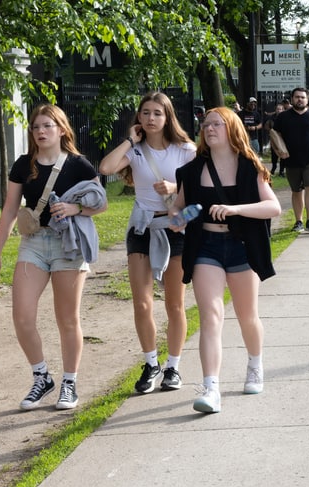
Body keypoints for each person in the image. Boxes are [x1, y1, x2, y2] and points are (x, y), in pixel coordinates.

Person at [0, 104, 107, 412]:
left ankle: (69, 382)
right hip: (34, 243)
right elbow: (10, 209)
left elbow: (101, 203)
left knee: (67, 319)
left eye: (47, 126)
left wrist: (76, 209)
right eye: (36, 127)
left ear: (61, 129)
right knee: (22, 316)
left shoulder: (79, 164)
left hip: (68, 244)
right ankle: (41, 376)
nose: (40, 132)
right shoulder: (23, 164)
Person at [170, 108, 281, 414]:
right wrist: (179, 218)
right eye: (205, 124)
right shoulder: (192, 170)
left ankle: (255, 365)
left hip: (242, 246)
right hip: (206, 246)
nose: (209, 128)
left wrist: (235, 210)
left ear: (231, 128)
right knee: (211, 316)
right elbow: (178, 208)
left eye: (216, 124)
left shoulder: (249, 166)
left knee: (247, 316)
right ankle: (211, 388)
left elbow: (273, 207)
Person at [98, 91, 197, 395]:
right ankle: (151, 363)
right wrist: (130, 140)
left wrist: (176, 187)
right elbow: (106, 168)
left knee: (174, 303)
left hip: (175, 228)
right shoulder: (135, 151)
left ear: (168, 117)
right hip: (142, 228)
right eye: (145, 113)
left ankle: (173, 367)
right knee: (142, 302)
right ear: (138, 117)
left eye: (157, 113)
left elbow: (203, 185)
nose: (151, 118)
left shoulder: (185, 150)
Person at [271, 87, 309, 233]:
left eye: (302, 97)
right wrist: (278, 152)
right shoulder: (283, 117)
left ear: (307, 99)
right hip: (291, 160)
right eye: (297, 97)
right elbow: (275, 137)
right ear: (292, 99)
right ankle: (298, 221)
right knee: (296, 191)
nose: (300, 99)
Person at [264, 100, 287, 176]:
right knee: (274, 155)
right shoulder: (271, 118)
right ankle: (273, 168)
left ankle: (281, 171)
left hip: (283, 139)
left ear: (283, 110)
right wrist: (271, 131)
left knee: (283, 154)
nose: (279, 110)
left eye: (280, 109)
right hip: (274, 139)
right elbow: (266, 126)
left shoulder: (285, 118)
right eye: (277, 109)